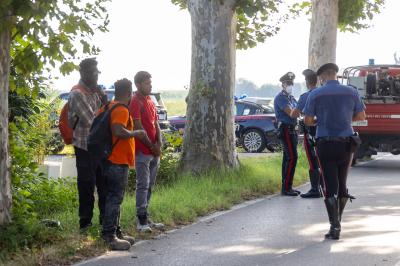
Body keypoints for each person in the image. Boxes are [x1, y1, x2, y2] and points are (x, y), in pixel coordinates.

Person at [303, 63, 366, 240]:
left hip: (325, 144)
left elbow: (307, 121)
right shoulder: (352, 92)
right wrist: (346, 119)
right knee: (342, 183)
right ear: (336, 74)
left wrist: (319, 120)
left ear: (322, 77)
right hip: (346, 145)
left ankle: (335, 226)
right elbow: (361, 117)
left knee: (329, 185)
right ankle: (338, 221)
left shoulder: (315, 93)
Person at [101, 78, 146, 250]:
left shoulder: (107, 107)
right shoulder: (121, 109)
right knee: (115, 197)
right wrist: (137, 133)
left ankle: (116, 232)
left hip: (106, 159)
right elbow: (118, 130)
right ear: (129, 93)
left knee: (112, 197)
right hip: (116, 160)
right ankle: (110, 236)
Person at [68, 58, 107, 231]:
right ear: (83, 73)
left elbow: (103, 115)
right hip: (84, 146)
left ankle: (106, 220)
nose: (96, 76)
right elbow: (93, 122)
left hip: (98, 146)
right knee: (86, 185)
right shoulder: (78, 94)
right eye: (93, 73)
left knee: (103, 184)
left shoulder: (93, 92)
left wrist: (104, 100)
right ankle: (85, 223)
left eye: (97, 72)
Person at [129, 71, 165, 232]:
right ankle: (141, 220)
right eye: (146, 83)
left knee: (150, 185)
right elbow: (138, 126)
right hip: (142, 150)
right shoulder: (135, 101)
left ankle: (146, 217)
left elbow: (155, 124)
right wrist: (151, 146)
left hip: (154, 150)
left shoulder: (150, 100)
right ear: (138, 85)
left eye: (150, 82)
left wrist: (159, 143)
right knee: (142, 184)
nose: (150, 85)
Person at [291, 69, 322, 198]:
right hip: (324, 131)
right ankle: (324, 186)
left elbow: (295, 114)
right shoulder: (323, 93)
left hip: (311, 132)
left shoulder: (305, 96)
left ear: (307, 82)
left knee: (312, 160)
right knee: (323, 160)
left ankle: (315, 189)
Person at [274, 72, 300, 196]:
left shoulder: (291, 98)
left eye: (291, 83)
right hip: (285, 129)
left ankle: (287, 186)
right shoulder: (280, 98)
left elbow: (299, 111)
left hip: (292, 129)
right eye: (288, 83)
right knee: (292, 157)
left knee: (288, 158)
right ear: (283, 84)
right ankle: (286, 188)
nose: (290, 85)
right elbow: (292, 113)